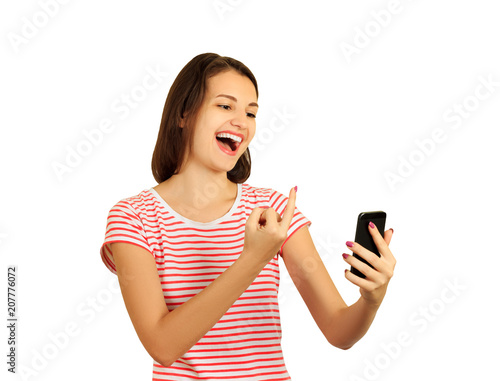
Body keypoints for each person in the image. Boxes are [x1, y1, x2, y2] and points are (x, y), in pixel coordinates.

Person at [100, 53, 396, 380]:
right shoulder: (134, 217)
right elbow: (163, 346)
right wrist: (253, 258)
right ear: (184, 113)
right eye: (225, 106)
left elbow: (339, 331)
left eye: (251, 112)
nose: (242, 122)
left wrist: (371, 299)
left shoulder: (274, 210)